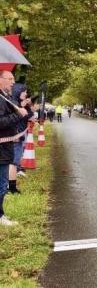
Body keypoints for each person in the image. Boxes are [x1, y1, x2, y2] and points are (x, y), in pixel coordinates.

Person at [0, 70, 30, 226]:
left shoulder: (5, 97)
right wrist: (19, 114)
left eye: (13, 78)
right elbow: (1, 122)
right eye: (9, 79)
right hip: (2, 148)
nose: (13, 82)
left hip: (5, 147)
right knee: (1, 183)